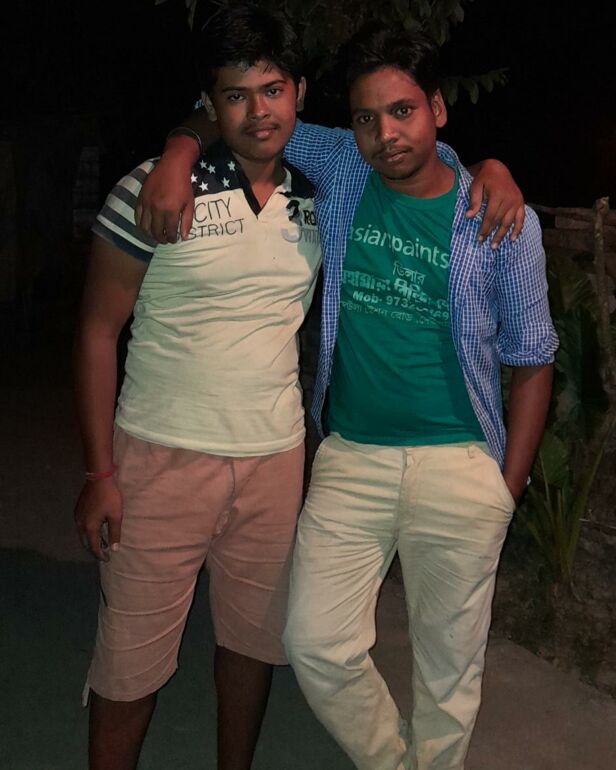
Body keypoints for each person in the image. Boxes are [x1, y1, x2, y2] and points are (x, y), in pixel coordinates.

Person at [137, 20, 558, 770]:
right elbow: (239, 113)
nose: (385, 134)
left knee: (449, 668)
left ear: (437, 109)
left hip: (460, 464)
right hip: (352, 457)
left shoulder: (500, 220)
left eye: (403, 111)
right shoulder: (342, 165)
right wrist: (177, 153)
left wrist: (507, 486)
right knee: (314, 641)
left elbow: (532, 358)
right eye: (366, 117)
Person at [73, 6, 321, 769]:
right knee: (130, 661)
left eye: (273, 90)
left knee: (252, 645)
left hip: (275, 460)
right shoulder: (151, 191)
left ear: (300, 93)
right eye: (236, 95)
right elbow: (96, 332)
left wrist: (492, 172)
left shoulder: (321, 197)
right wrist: (101, 474)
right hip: (161, 458)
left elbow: (417, 157)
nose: (259, 111)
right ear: (210, 103)